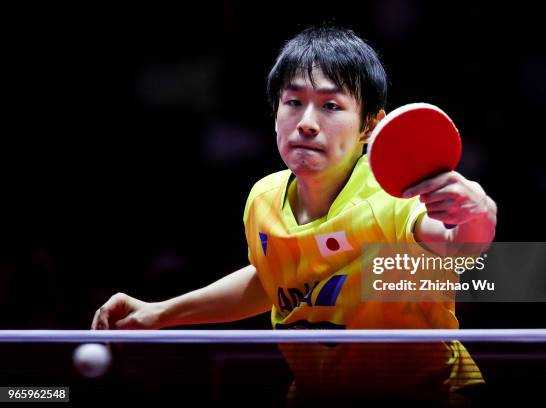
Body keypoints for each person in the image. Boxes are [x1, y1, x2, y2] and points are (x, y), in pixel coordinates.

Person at [92, 26, 497, 405]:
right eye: (293, 102)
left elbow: (458, 243)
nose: (306, 123)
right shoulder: (263, 199)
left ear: (370, 126)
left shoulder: (391, 198)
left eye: (331, 106)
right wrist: (157, 313)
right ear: (274, 112)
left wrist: (479, 212)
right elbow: (273, 277)